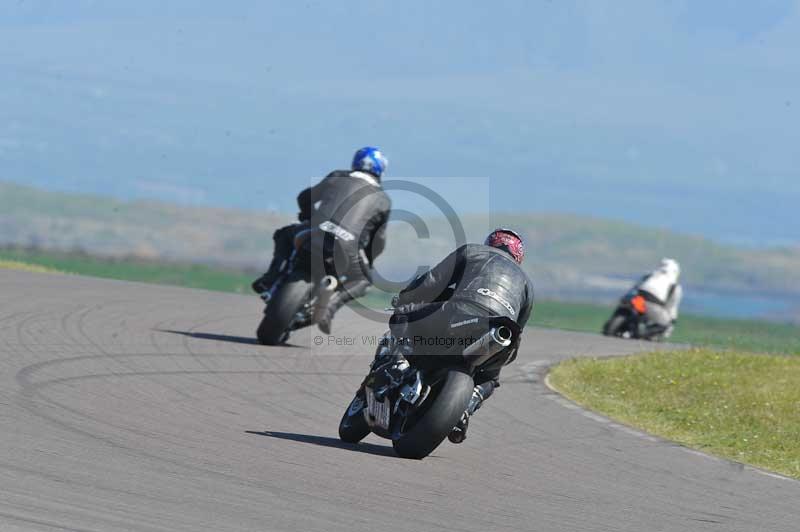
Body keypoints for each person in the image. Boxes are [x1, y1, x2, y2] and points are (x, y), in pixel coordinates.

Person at [377, 228, 534, 444]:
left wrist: (407, 298)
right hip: (502, 333)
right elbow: (519, 328)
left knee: (405, 314)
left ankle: (399, 362)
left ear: (491, 243)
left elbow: (433, 281)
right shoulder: (527, 284)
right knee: (489, 378)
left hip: (459, 314)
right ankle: (466, 407)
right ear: (519, 255)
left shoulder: (473, 251)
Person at [251, 147, 391, 334]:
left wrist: (309, 216)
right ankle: (329, 310)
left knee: (283, 234)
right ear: (381, 170)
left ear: (355, 162)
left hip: (316, 233)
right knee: (363, 279)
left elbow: (304, 197)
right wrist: (369, 260)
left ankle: (269, 279)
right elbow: (378, 240)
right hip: (346, 248)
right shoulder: (383, 200)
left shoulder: (338, 176)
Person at [621, 258, 683, 338]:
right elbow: (671, 307)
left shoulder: (649, 276)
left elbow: (635, 288)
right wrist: (672, 322)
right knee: (665, 324)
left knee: (631, 311)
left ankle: (630, 327)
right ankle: (641, 334)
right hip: (652, 305)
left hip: (637, 299)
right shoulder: (675, 286)